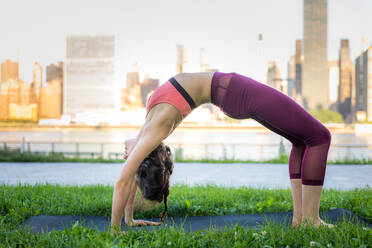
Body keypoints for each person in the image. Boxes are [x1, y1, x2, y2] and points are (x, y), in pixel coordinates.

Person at [110, 71, 334, 232]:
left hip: (231, 91)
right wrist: (117, 229)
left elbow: (128, 176)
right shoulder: (152, 125)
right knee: (320, 137)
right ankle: (311, 221)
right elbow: (124, 180)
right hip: (236, 92)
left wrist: (126, 222)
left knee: (301, 140)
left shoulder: (147, 133)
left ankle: (301, 218)